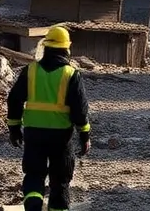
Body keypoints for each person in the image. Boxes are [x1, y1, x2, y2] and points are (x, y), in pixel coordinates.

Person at [7, 26, 92, 211]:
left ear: (45, 47)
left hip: (33, 133)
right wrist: (84, 135)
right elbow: (80, 110)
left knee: (34, 175)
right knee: (60, 180)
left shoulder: (30, 71)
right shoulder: (71, 74)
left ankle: (33, 206)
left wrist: (14, 128)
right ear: (66, 49)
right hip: (61, 136)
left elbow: (14, 99)